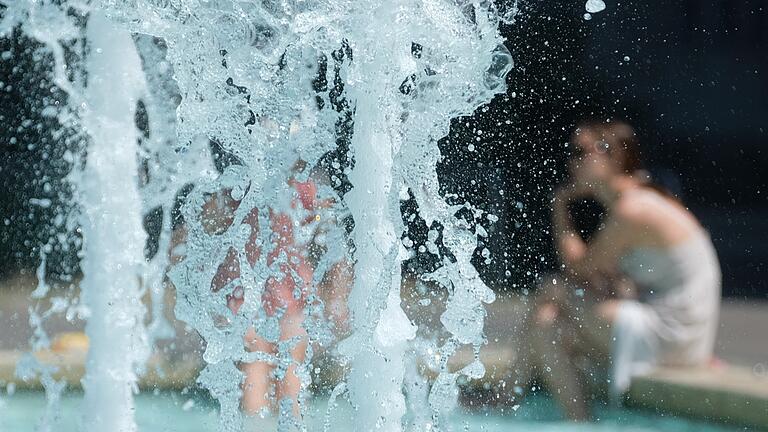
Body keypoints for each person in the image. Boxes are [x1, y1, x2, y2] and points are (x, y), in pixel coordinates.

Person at [522, 119, 721, 420]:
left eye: (579, 152)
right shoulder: (634, 203)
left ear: (610, 156)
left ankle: (507, 394)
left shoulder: (634, 209)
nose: (571, 162)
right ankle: (578, 423)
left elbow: (577, 270)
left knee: (552, 289)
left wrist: (559, 207)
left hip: (673, 335)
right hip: (667, 329)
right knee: (547, 323)